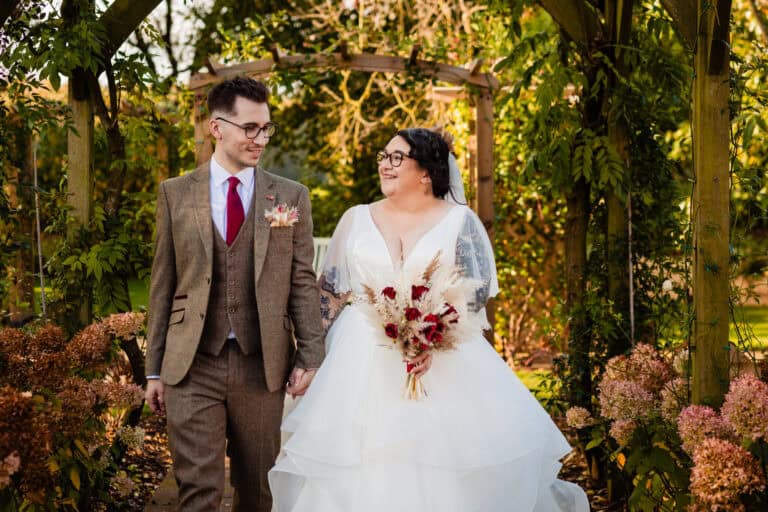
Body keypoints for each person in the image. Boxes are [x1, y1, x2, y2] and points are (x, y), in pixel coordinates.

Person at [268, 128, 590, 511]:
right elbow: (330, 293)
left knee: (439, 466)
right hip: (357, 363)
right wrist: (310, 357)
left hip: (441, 364)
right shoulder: (355, 219)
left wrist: (434, 341)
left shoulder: (459, 221)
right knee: (355, 465)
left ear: (425, 172)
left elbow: (474, 296)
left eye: (396, 158)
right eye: (383, 157)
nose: (385, 165)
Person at [144, 76, 325, 512]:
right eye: (250, 128)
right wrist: (154, 370)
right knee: (199, 495)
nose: (260, 138)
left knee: (257, 493)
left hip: (261, 365)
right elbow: (162, 283)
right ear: (216, 128)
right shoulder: (175, 194)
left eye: (265, 128)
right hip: (191, 365)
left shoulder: (290, 195)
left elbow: (302, 280)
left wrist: (311, 355)